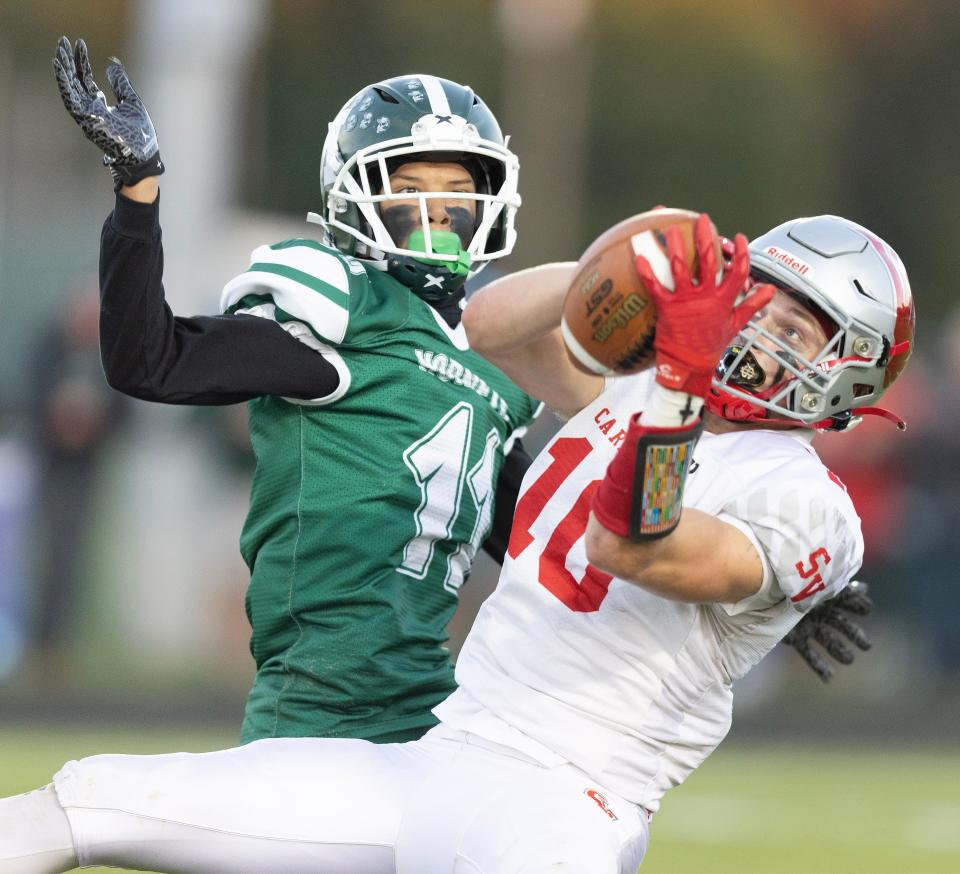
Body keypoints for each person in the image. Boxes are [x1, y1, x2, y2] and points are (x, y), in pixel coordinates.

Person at [0, 208, 915, 872]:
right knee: (86, 800)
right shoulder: (634, 393)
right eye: (757, 299)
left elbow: (632, 543)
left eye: (795, 325)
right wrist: (630, 260)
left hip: (562, 808)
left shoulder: (808, 504)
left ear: (851, 371)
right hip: (432, 763)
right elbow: (489, 329)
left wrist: (675, 376)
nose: (759, 327)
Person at [52, 37, 540, 745]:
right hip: (318, 718)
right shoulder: (343, 311)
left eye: (459, 188)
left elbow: (554, 550)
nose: (439, 210)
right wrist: (138, 190)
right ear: (356, 195)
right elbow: (148, 361)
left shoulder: (499, 363)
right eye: (410, 189)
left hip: (437, 720)